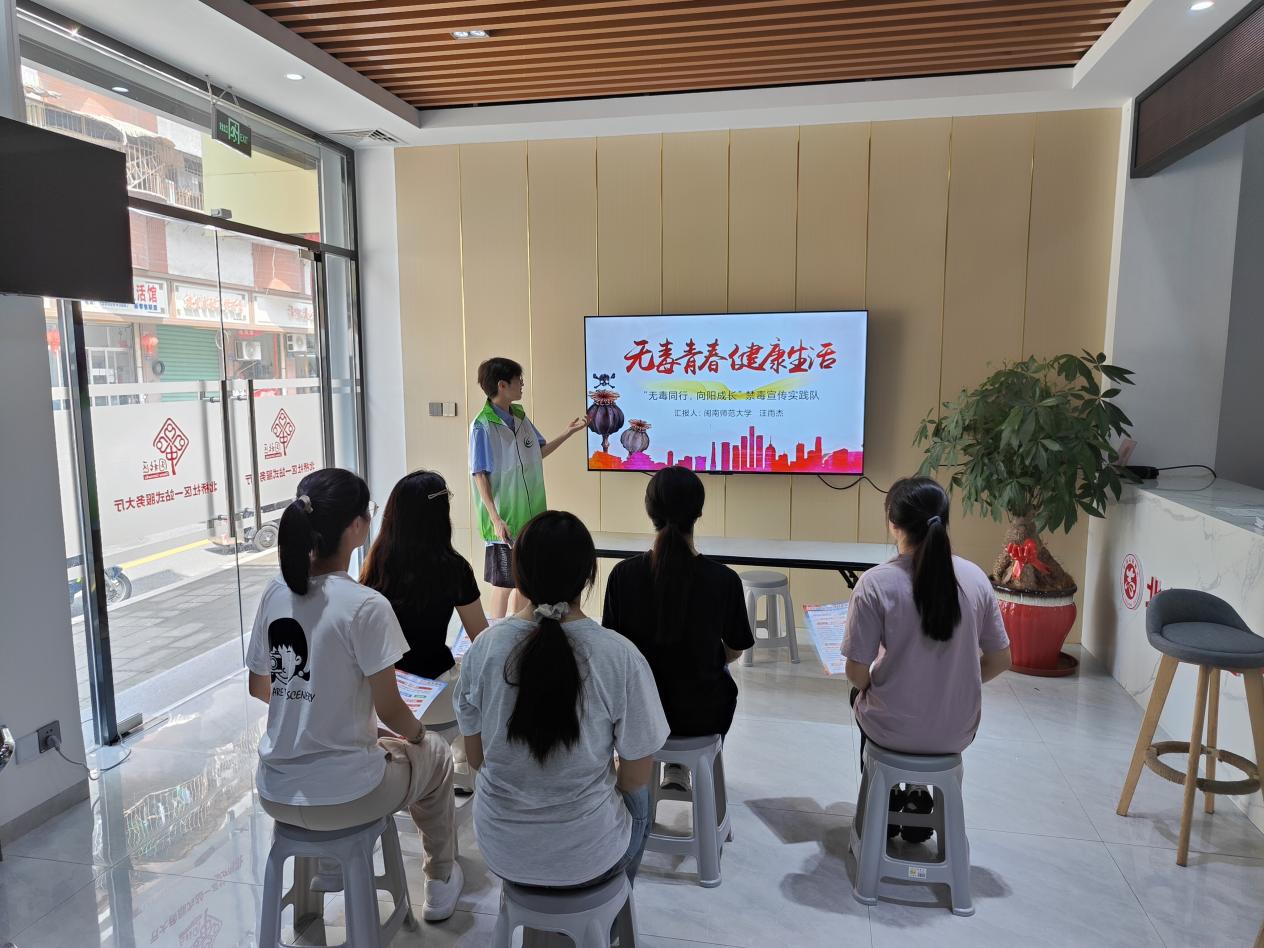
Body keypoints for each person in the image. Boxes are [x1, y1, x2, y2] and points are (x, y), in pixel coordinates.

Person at [245, 468, 464, 921]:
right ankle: (440, 879)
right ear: (356, 526)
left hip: (275, 789)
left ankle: (329, 868)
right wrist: (419, 736)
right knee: (439, 757)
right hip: (348, 792)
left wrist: (317, 708)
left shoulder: (274, 592)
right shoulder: (364, 606)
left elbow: (260, 687)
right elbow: (391, 709)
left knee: (374, 746)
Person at [453, 510, 670, 890]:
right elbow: (634, 777)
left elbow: (476, 759)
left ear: (518, 574)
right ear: (588, 576)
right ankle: (614, 907)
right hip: (591, 855)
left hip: (501, 849)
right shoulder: (619, 655)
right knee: (639, 801)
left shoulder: (484, 649)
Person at [842, 475, 1012, 843]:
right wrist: (959, 679)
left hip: (892, 729)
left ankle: (885, 802)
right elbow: (1001, 659)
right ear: (944, 520)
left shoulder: (875, 583)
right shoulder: (975, 578)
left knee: (859, 696)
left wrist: (877, 683)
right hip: (956, 731)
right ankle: (920, 800)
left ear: (893, 522)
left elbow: (856, 672)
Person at [602, 465, 753, 790]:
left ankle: (646, 770)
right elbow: (735, 648)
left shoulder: (622, 576)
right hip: (703, 716)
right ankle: (684, 765)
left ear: (649, 511)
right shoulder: (724, 580)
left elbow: (614, 649)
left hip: (638, 717)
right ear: (698, 512)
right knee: (717, 676)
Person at [469, 356, 588, 619]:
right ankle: (497, 634)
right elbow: (479, 474)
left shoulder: (520, 416)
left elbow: (538, 452)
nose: (522, 384)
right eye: (518, 380)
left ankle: (518, 632)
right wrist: (495, 519)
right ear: (502, 385)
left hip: (531, 516)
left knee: (523, 582)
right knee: (503, 584)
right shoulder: (482, 425)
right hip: (505, 518)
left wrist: (568, 433)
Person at [360, 470, 488, 680]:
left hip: (383, 679)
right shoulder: (454, 568)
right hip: (434, 679)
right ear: (440, 515)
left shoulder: (377, 562)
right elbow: (482, 638)